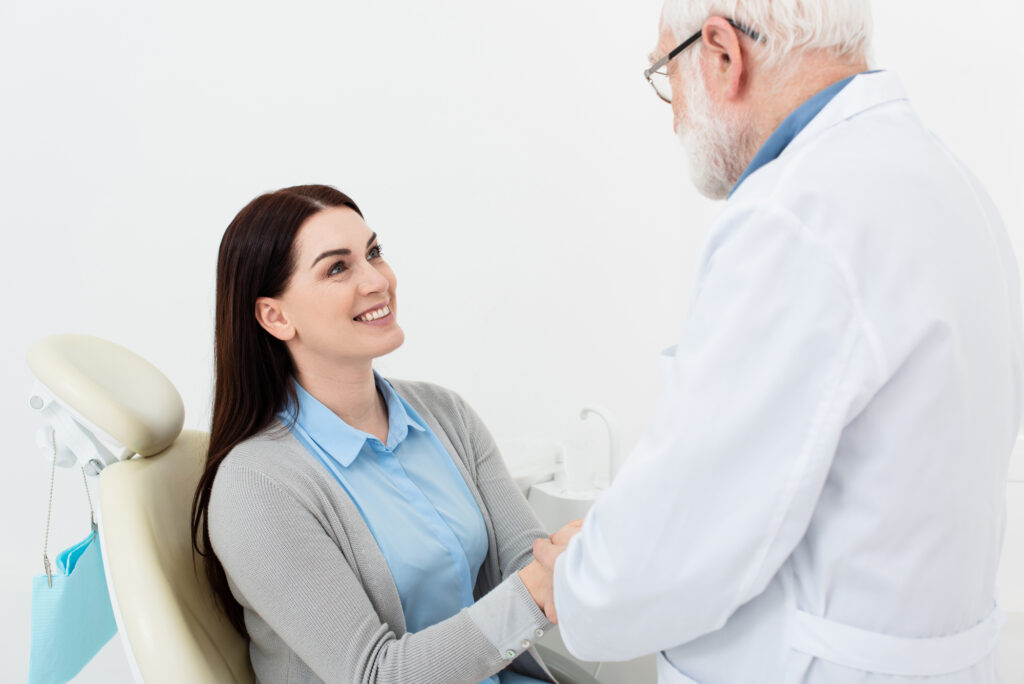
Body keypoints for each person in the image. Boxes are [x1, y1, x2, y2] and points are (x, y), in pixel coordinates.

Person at [525, 1, 1024, 682]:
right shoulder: (945, 182)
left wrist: (579, 583)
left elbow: (694, 528)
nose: (672, 113)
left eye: (667, 75)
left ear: (723, 54)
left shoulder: (796, 212)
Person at [189, 184, 563, 684]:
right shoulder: (256, 487)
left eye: (374, 253)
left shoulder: (445, 414)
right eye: (337, 268)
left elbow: (528, 559)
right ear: (275, 316)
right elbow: (375, 675)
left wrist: (578, 557)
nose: (377, 280)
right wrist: (540, 588)